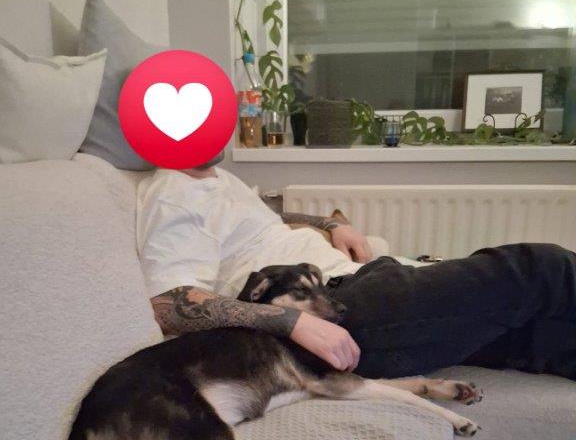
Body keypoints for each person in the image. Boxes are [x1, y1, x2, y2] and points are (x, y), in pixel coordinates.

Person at [137, 157, 576, 381]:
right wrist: (291, 322)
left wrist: (329, 224)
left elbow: (268, 218)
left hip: (356, 280)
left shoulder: (215, 177)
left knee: (543, 336)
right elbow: (168, 304)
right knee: (541, 269)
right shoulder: (173, 192)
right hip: (331, 307)